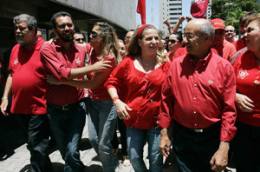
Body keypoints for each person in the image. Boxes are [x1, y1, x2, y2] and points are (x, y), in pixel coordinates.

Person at [159, 19, 237, 172]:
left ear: (207, 38)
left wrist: (224, 146)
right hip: (183, 137)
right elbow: (166, 101)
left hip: (211, 138)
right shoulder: (175, 65)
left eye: (189, 36)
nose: (184, 40)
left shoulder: (224, 68)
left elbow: (229, 110)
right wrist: (165, 133)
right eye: (184, 35)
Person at [40, 11, 110, 172]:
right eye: (62, 26)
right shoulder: (47, 48)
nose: (67, 28)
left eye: (69, 25)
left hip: (77, 107)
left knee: (72, 150)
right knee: (65, 151)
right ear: (54, 30)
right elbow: (61, 73)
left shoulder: (82, 48)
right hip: (54, 110)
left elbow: (104, 46)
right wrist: (94, 67)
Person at [105, 24, 169, 172]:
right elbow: (111, 82)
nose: (153, 41)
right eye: (148, 38)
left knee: (155, 161)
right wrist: (117, 101)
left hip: (157, 122)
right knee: (134, 158)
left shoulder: (166, 64)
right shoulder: (128, 62)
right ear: (140, 42)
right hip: (133, 120)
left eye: (156, 38)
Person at [0, 14, 52, 172]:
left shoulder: (45, 48)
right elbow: (11, 74)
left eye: (21, 28)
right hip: (19, 105)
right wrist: (4, 98)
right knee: (34, 144)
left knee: (35, 143)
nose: (17, 31)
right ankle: (47, 168)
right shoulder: (16, 48)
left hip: (39, 106)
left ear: (33, 29)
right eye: (16, 28)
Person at [232, 13, 260, 172]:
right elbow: (225, 87)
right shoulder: (239, 58)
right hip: (243, 127)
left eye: (250, 30)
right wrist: (235, 96)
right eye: (244, 31)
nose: (245, 34)